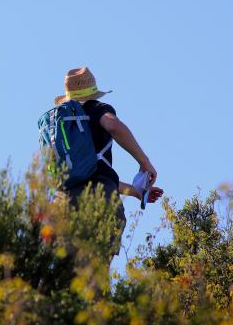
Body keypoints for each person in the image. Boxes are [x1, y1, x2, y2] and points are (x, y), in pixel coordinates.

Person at [55, 67, 164, 258]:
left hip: (62, 202)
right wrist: (144, 161)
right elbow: (113, 125)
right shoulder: (96, 108)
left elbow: (89, 173)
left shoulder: (61, 125)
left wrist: (135, 191)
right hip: (99, 199)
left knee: (69, 274)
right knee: (96, 272)